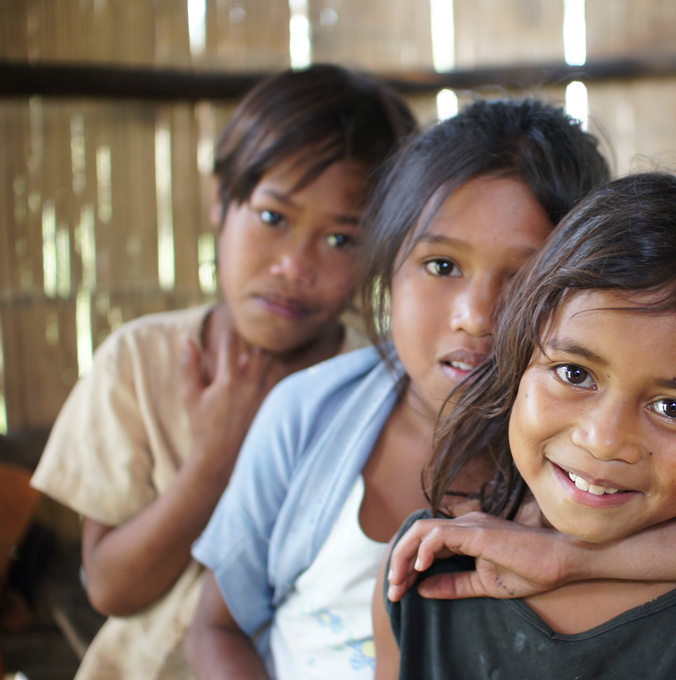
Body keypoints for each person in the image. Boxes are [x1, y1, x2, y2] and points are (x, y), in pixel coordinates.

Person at [188, 99, 676, 680]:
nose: (478, 315)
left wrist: (571, 559)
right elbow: (217, 623)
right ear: (386, 264)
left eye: (521, 275)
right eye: (442, 265)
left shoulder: (564, 466)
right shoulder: (316, 417)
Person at [30, 64, 416, 680]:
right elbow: (109, 588)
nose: (294, 265)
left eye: (342, 240)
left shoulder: (379, 394)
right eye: (273, 218)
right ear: (222, 199)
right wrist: (213, 462)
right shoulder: (138, 362)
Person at [375, 170, 676, 680]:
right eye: (575, 374)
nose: (605, 440)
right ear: (517, 360)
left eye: (672, 408)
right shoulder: (423, 565)